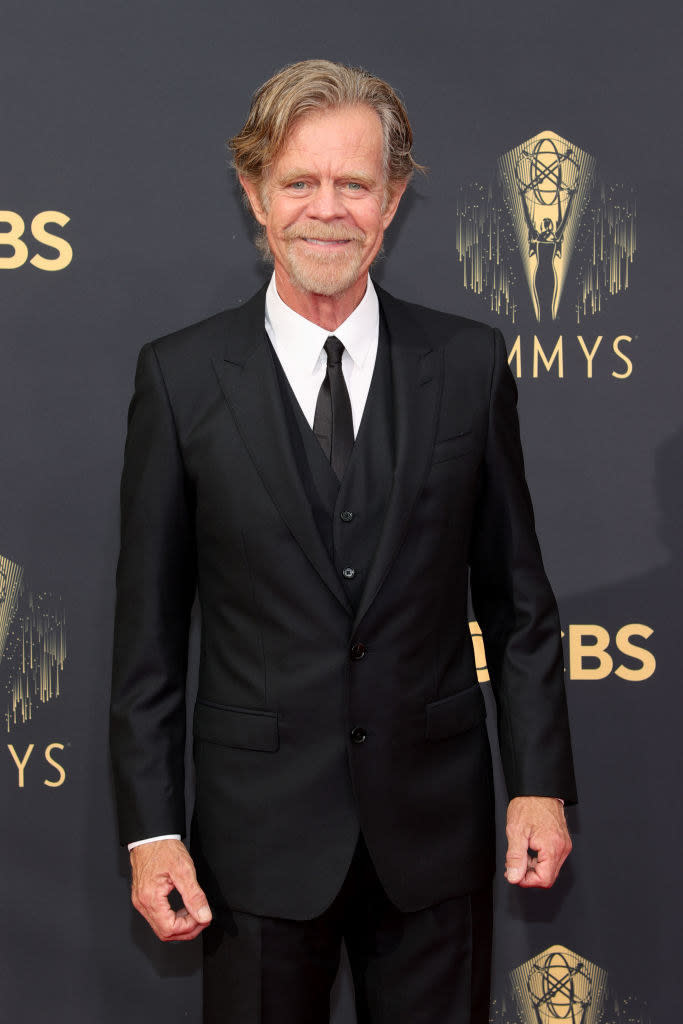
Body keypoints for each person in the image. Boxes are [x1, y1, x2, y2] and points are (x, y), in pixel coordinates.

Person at [110, 59, 577, 1024]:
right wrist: (150, 832)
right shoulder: (181, 378)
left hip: (435, 835)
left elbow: (519, 606)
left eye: (354, 185)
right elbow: (148, 643)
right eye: (298, 183)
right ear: (253, 194)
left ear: (394, 199)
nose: (327, 211)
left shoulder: (468, 364)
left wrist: (538, 785)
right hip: (254, 846)